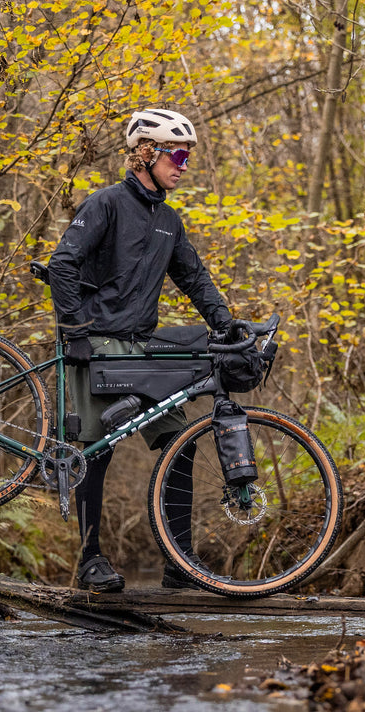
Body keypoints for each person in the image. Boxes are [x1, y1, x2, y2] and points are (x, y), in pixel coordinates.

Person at [47, 107, 234, 593]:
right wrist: (77, 332)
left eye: (188, 155)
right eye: (176, 153)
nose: (184, 163)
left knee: (181, 441)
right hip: (99, 341)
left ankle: (180, 562)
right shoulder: (106, 204)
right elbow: (63, 264)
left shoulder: (169, 219)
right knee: (97, 450)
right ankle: (91, 560)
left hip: (141, 346)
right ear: (145, 154)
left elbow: (194, 278)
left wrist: (228, 325)